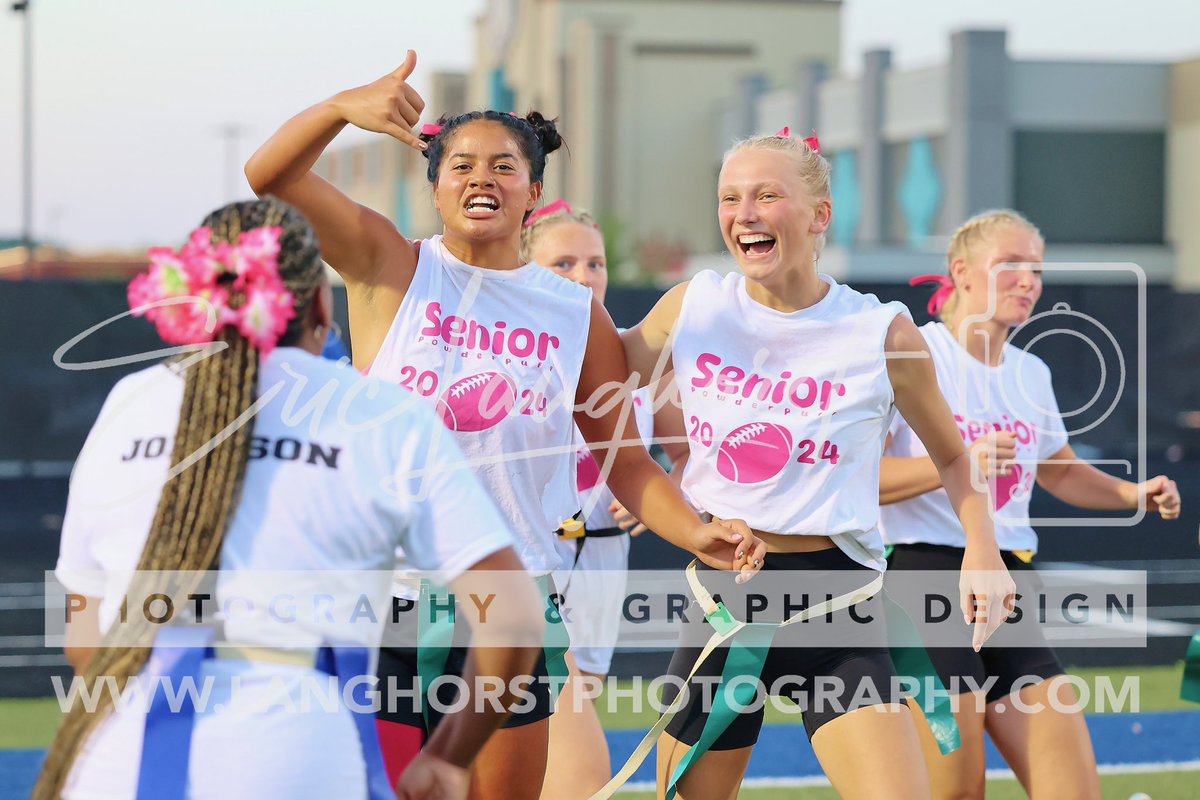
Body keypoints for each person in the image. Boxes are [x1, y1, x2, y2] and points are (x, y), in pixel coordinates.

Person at [244, 51, 766, 800]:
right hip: (382, 604)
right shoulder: (388, 265)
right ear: (433, 187)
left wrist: (699, 530)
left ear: (535, 194)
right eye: (459, 165)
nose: (480, 177)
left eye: (502, 166)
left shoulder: (572, 312)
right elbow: (270, 178)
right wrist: (337, 110)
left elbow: (625, 463)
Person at [37, 198, 546, 800]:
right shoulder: (379, 414)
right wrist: (450, 756)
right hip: (297, 755)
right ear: (321, 305)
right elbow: (512, 617)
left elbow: (82, 636)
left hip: (117, 758)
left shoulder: (128, 401)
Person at [615, 129, 1016, 800]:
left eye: (767, 195)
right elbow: (586, 377)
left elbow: (952, 455)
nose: (744, 213)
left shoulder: (882, 332)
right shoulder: (695, 305)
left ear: (820, 215)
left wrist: (984, 548)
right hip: (726, 602)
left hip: (842, 607)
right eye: (730, 198)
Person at [879, 209, 1182, 800]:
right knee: (956, 793)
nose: (1028, 281)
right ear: (961, 272)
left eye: (1036, 269)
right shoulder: (918, 356)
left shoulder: (1031, 372)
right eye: (1010, 264)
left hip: (1010, 584)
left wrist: (1131, 494)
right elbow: (853, 481)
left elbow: (1059, 470)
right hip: (923, 580)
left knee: (1073, 791)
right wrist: (955, 462)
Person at [521, 200, 688, 798]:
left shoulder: (634, 356)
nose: (583, 276)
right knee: (575, 762)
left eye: (594, 263)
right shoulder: (509, 357)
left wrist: (658, 494)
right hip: (534, 564)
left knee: (567, 714)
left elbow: (686, 455)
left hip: (601, 562)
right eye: (562, 262)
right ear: (525, 267)